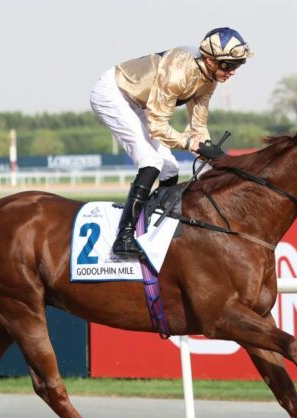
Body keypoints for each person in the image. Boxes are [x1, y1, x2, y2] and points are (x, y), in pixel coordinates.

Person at [90, 27, 253, 255]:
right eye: (228, 65)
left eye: (238, 65)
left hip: (141, 103)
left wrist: (211, 154)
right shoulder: (179, 73)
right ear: (210, 60)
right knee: (150, 162)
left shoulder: (209, 78)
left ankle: (158, 229)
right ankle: (123, 236)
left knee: (170, 168)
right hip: (113, 94)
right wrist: (191, 145)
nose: (233, 71)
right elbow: (158, 127)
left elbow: (198, 128)